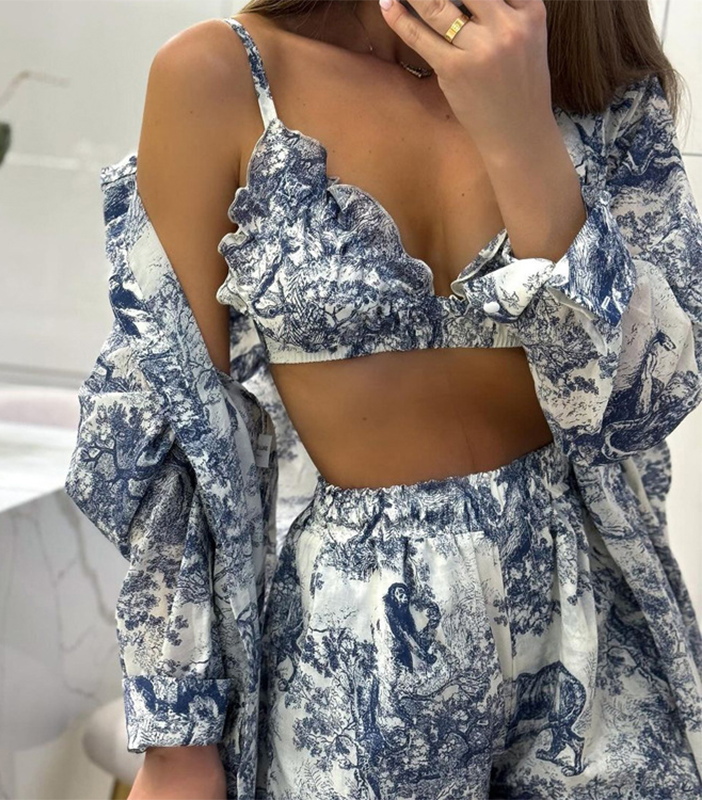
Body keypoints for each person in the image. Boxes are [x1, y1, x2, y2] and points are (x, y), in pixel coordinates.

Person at [65, 0, 702, 798]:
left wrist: (521, 135)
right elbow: (178, 427)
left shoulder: (590, 72)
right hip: (364, 659)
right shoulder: (222, 76)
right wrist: (176, 740)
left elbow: (645, 404)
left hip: (597, 646)